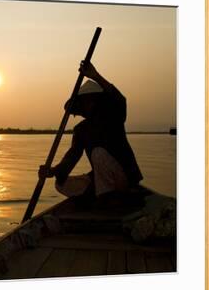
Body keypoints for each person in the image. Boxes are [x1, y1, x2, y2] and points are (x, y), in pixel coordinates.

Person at [39, 60, 143, 207]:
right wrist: (52, 171)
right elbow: (72, 156)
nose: (88, 105)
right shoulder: (81, 130)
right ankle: (100, 196)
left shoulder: (114, 116)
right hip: (102, 181)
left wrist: (95, 75)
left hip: (124, 177)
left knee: (98, 154)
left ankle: (107, 199)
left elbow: (120, 99)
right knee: (61, 184)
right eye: (85, 102)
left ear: (99, 101)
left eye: (91, 100)